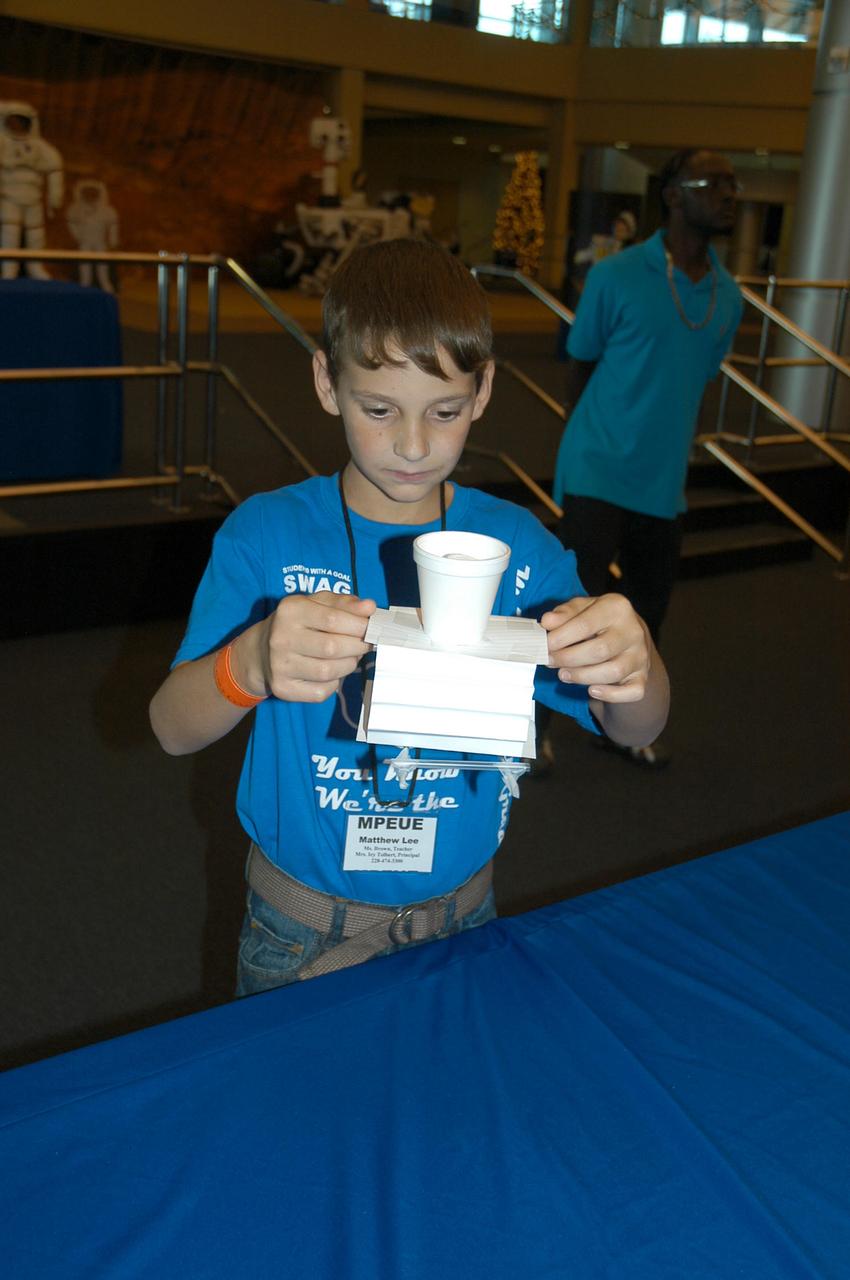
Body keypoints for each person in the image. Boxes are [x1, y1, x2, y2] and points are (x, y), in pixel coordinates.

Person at [149, 238, 670, 991]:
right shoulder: (266, 535)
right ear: (328, 382)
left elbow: (640, 726)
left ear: (483, 391)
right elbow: (171, 727)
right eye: (380, 409)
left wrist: (636, 662)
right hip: (299, 933)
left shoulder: (519, 550)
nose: (415, 445)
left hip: (463, 919)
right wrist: (250, 662)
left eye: (447, 411)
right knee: (301, 1111)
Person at [550, 148, 743, 769]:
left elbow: (693, 380)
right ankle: (537, 727)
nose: (729, 195)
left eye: (732, 185)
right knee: (568, 608)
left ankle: (619, 726)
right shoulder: (617, 275)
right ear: (673, 195)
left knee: (647, 613)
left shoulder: (728, 298)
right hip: (597, 470)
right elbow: (581, 364)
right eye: (714, 183)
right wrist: (585, 445)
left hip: (663, 486)